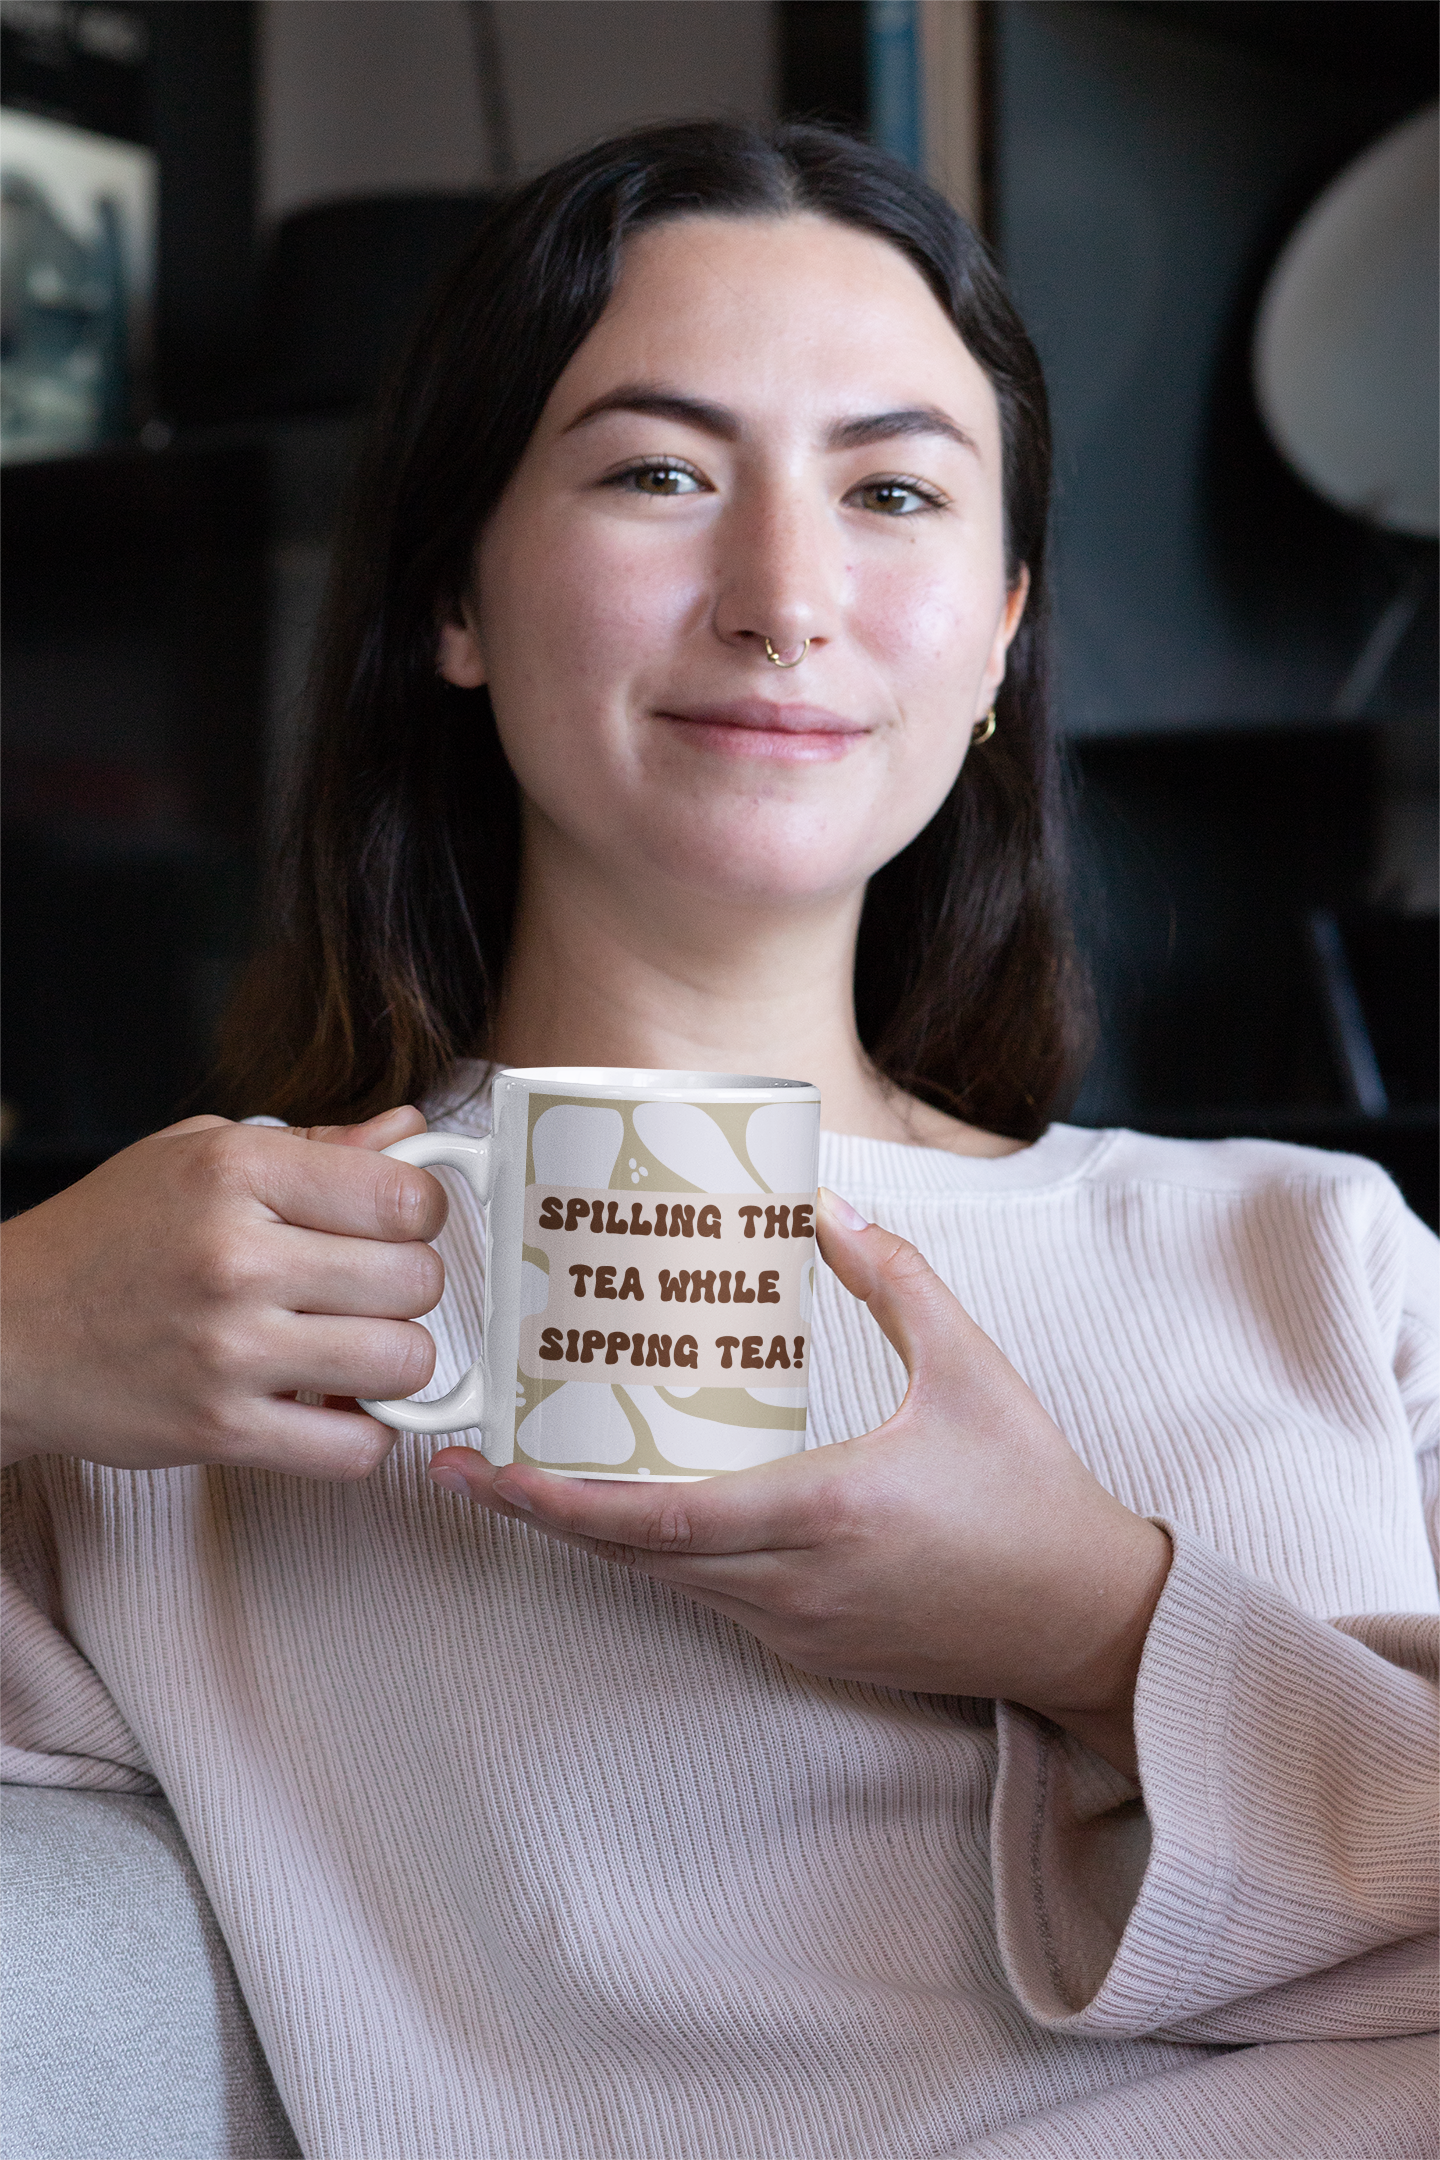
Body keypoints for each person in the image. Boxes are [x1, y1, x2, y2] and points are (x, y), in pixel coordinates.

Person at [3, 120, 1440, 2160]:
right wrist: (16, 1329)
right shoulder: (202, 1338)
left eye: (894, 492)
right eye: (661, 471)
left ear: (1004, 629)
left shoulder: (1317, 1255)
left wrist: (1101, 1629)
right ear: (455, 597)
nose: (784, 600)